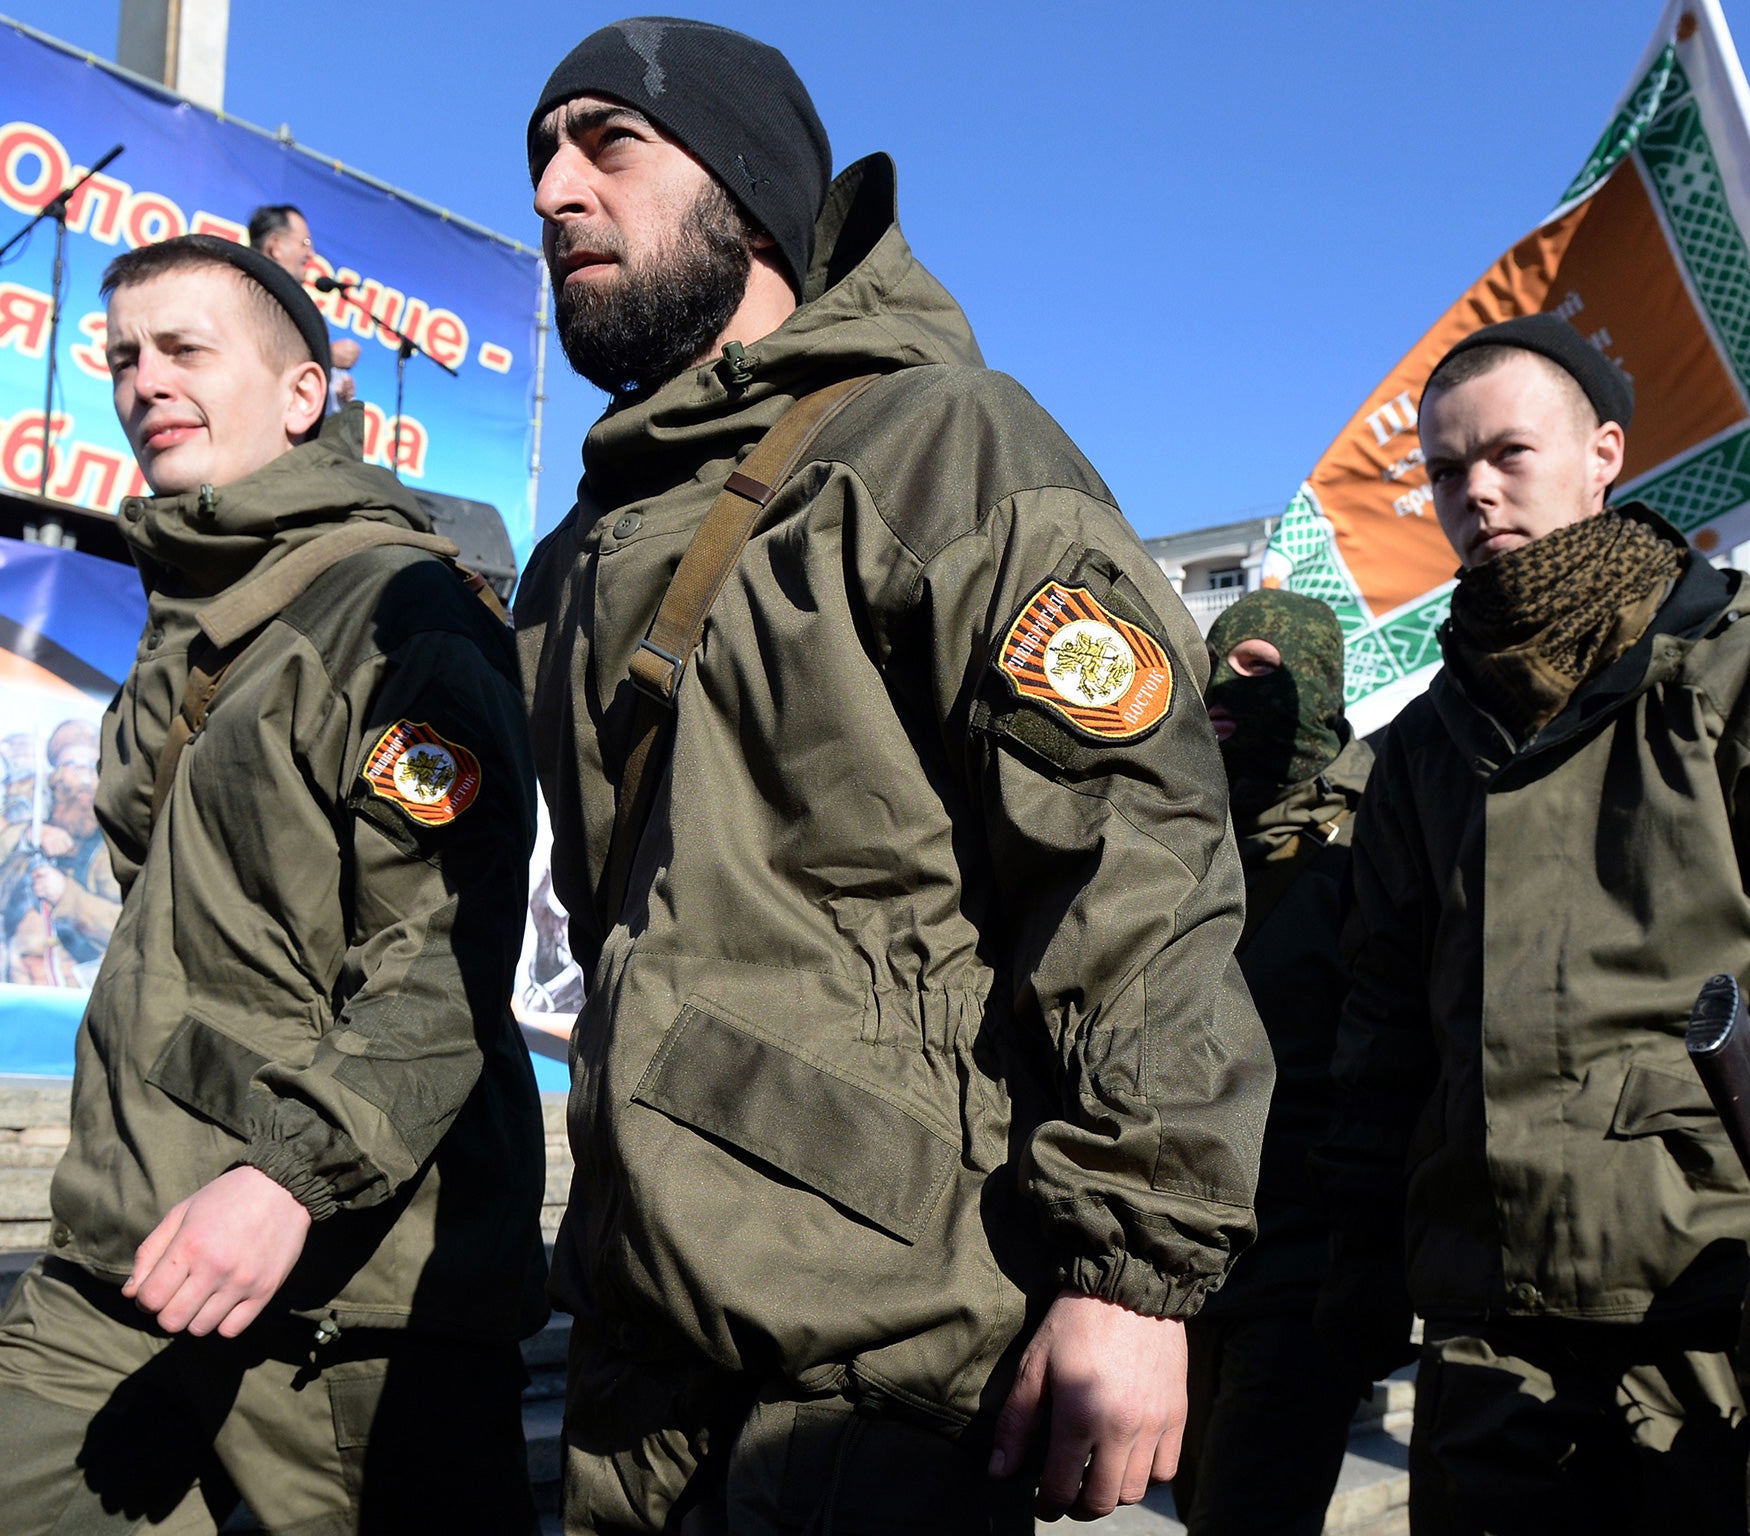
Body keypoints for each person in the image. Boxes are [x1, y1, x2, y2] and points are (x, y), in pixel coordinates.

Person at [513, 18, 1271, 1532]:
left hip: (879, 1368)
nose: (552, 193)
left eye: (609, 145)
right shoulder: (575, 561)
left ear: (751, 197)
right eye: (538, 155)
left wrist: (1134, 1272)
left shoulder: (942, 448)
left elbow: (1137, 864)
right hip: (632, 1351)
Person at [1315, 313, 1750, 1534]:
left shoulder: (1748, 680)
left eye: (1508, 454)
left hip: (1723, 1335)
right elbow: (1380, 1035)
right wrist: (1355, 1265)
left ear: (1602, 454)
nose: (1474, 490)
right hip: (1489, 1347)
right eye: (1444, 469)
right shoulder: (1423, 747)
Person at [0, 233, 548, 1533]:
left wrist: (289, 1179)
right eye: (123, 356)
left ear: (304, 396)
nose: (144, 382)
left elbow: (442, 967)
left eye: (187, 349)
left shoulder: (404, 619)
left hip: (354, 1304)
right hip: (124, 1261)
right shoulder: (183, 606)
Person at [1174, 588, 1371, 1535]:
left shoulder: (1369, 851)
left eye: (1252, 665)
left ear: (1315, 686)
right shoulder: (1186, 837)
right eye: (1212, 661)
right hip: (1188, 1263)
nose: (1220, 684)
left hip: (1306, 1275)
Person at [249, 203, 361, 405]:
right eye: (305, 243)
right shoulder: (243, 290)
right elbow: (252, 355)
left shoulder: (299, 308)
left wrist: (334, 391)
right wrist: (326, 356)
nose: (311, 254)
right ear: (275, 246)